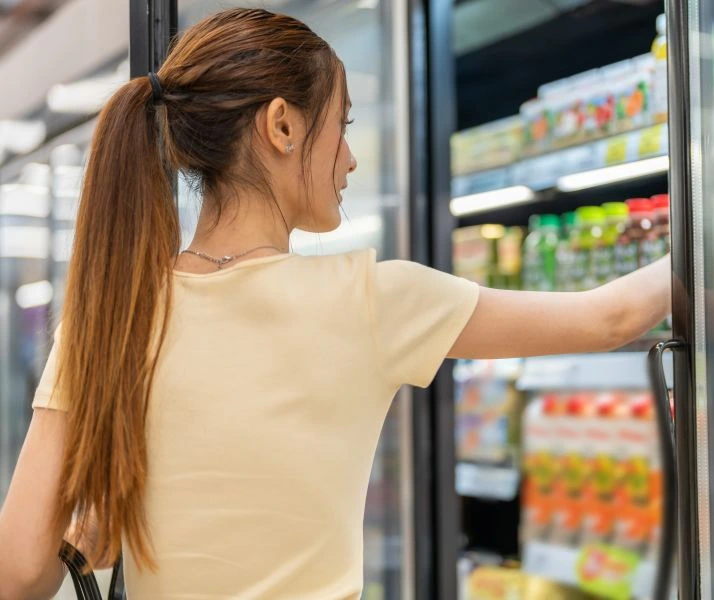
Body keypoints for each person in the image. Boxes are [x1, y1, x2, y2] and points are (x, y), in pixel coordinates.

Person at [0, 8, 670, 600]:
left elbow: (18, 571)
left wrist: (90, 534)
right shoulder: (374, 299)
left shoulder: (112, 316)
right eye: (341, 127)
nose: (349, 159)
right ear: (283, 125)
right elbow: (611, 316)